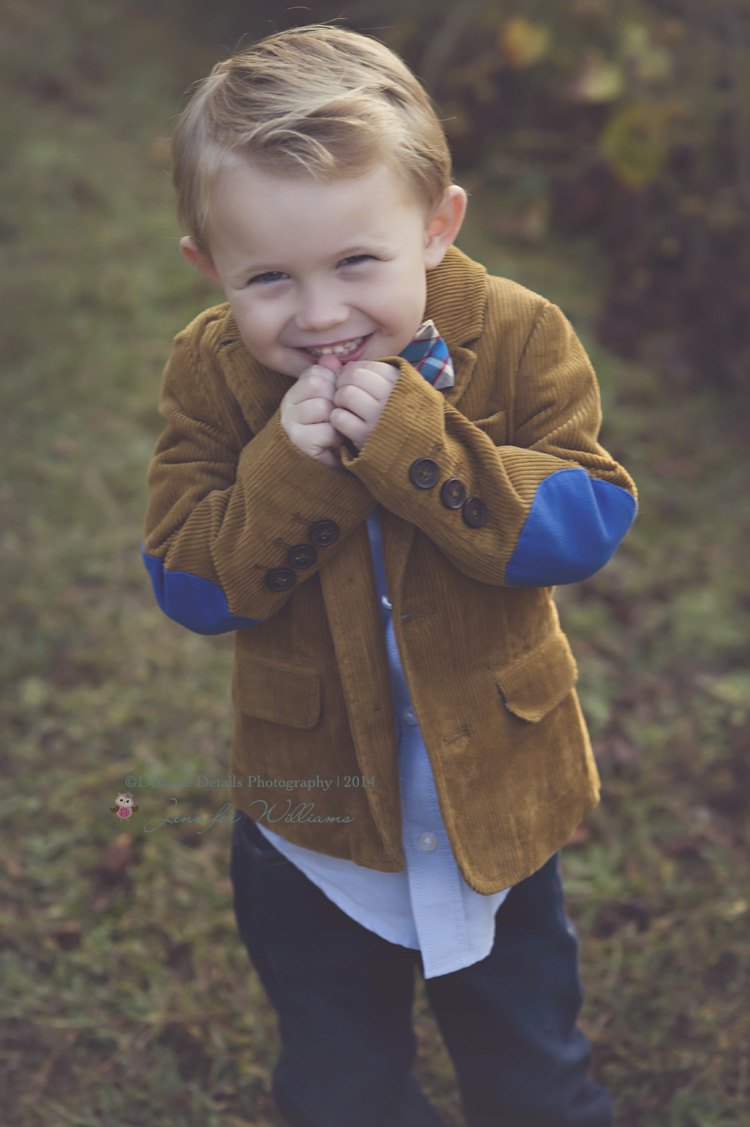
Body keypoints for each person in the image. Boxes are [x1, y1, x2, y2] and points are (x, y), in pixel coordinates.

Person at [142, 23, 637, 1127]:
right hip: (312, 827)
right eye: (268, 277)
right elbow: (187, 583)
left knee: (533, 1069)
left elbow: (589, 518)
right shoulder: (212, 373)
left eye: (357, 262)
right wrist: (287, 470)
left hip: (496, 801)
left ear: (436, 227)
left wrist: (422, 445)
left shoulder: (517, 335)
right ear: (208, 268)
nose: (319, 317)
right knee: (342, 1082)